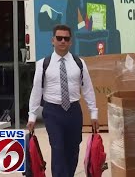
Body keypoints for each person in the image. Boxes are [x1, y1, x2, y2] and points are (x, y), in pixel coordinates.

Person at [26, 24, 99, 177]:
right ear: (53, 40)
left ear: (70, 42)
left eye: (66, 38)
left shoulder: (79, 63)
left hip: (73, 111)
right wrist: (32, 116)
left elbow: (88, 89)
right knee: (58, 149)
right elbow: (36, 90)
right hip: (53, 112)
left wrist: (94, 113)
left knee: (72, 150)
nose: (62, 41)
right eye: (59, 38)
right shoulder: (43, 64)